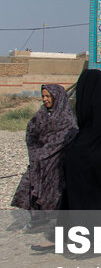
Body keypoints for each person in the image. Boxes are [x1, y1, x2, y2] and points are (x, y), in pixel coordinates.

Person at [31, 70, 101, 252]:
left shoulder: (94, 105)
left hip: (97, 156)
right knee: (75, 195)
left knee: (92, 196)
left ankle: (97, 241)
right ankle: (63, 237)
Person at [11, 85, 77, 225]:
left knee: (53, 190)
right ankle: (37, 218)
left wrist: (48, 152)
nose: (45, 99)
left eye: (48, 96)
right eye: (43, 96)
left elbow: (65, 138)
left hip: (56, 161)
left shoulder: (66, 118)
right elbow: (31, 133)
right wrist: (38, 152)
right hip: (39, 159)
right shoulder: (41, 114)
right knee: (29, 184)